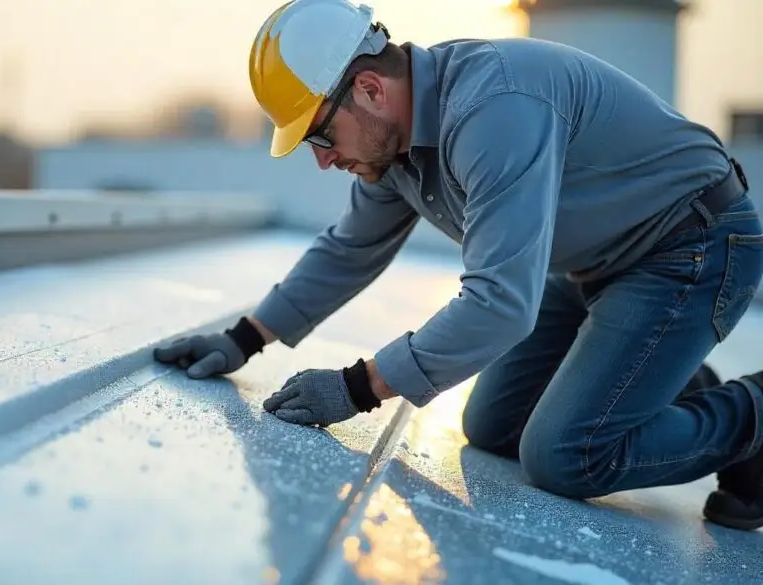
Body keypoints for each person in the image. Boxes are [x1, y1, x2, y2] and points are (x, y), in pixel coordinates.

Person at [152, 0, 763, 531]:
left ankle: (755, 417)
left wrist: (359, 387)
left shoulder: (494, 108)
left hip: (690, 245)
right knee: (495, 426)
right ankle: (655, 372)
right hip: (588, 258)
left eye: (320, 137)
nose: (323, 160)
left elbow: (500, 303)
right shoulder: (389, 147)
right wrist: (243, 339)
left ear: (369, 90)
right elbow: (349, 248)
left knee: (566, 455)